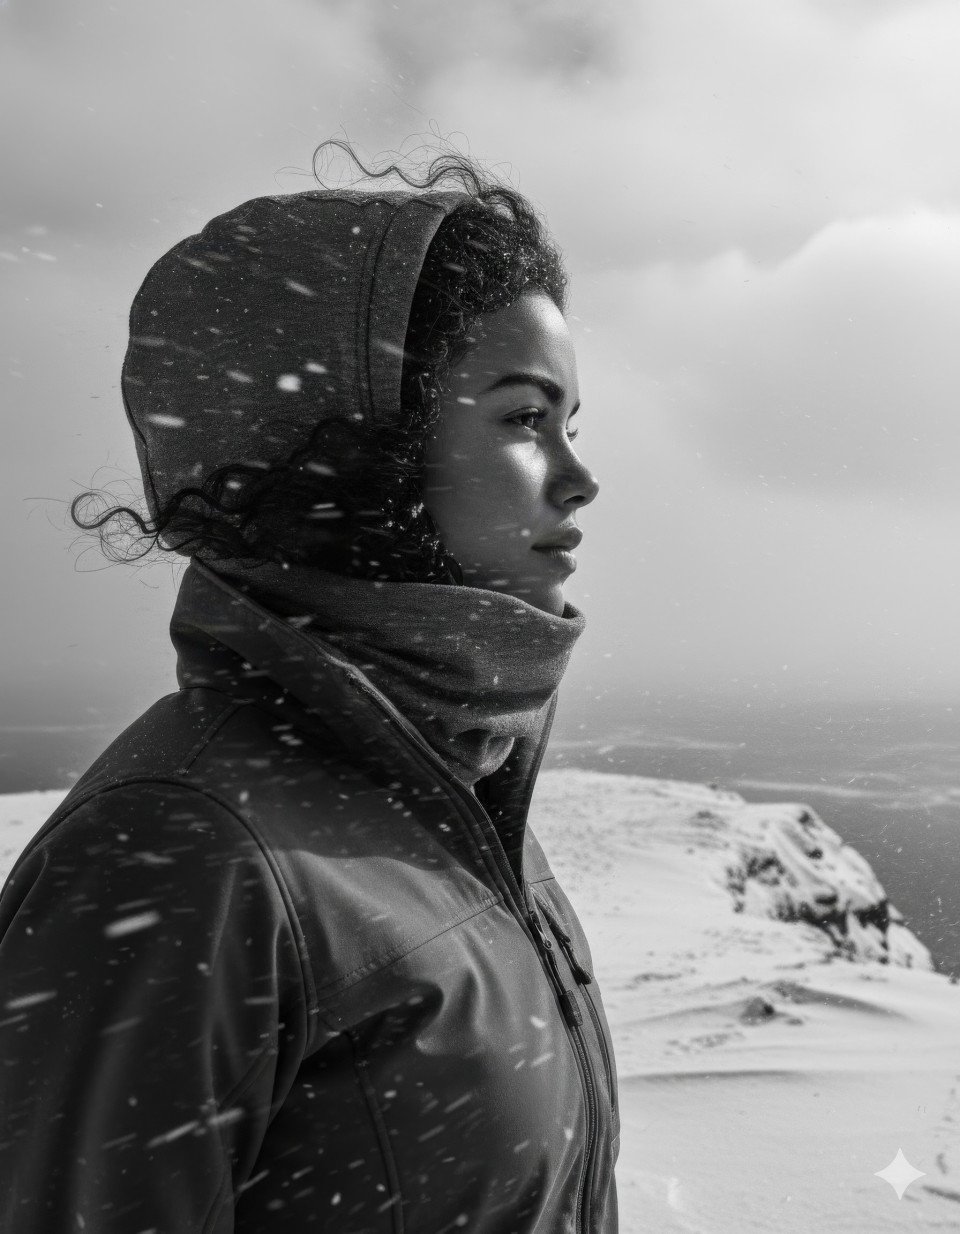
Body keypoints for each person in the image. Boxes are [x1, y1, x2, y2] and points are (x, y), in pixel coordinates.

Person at [0, 142, 618, 1232]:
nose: (578, 474)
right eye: (524, 418)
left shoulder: (454, 787)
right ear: (363, 436)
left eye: (571, 423)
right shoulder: (185, 850)